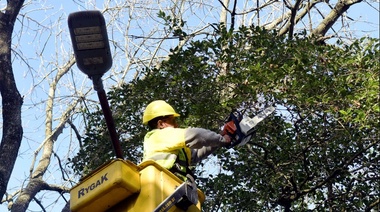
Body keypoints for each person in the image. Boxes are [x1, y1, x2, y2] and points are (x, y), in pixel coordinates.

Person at [142, 100, 232, 180]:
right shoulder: (158, 136)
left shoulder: (171, 147)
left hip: (172, 189)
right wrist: (222, 139)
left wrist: (221, 136)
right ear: (161, 124)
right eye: (173, 121)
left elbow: (195, 154)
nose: (176, 125)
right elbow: (197, 135)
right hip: (162, 185)